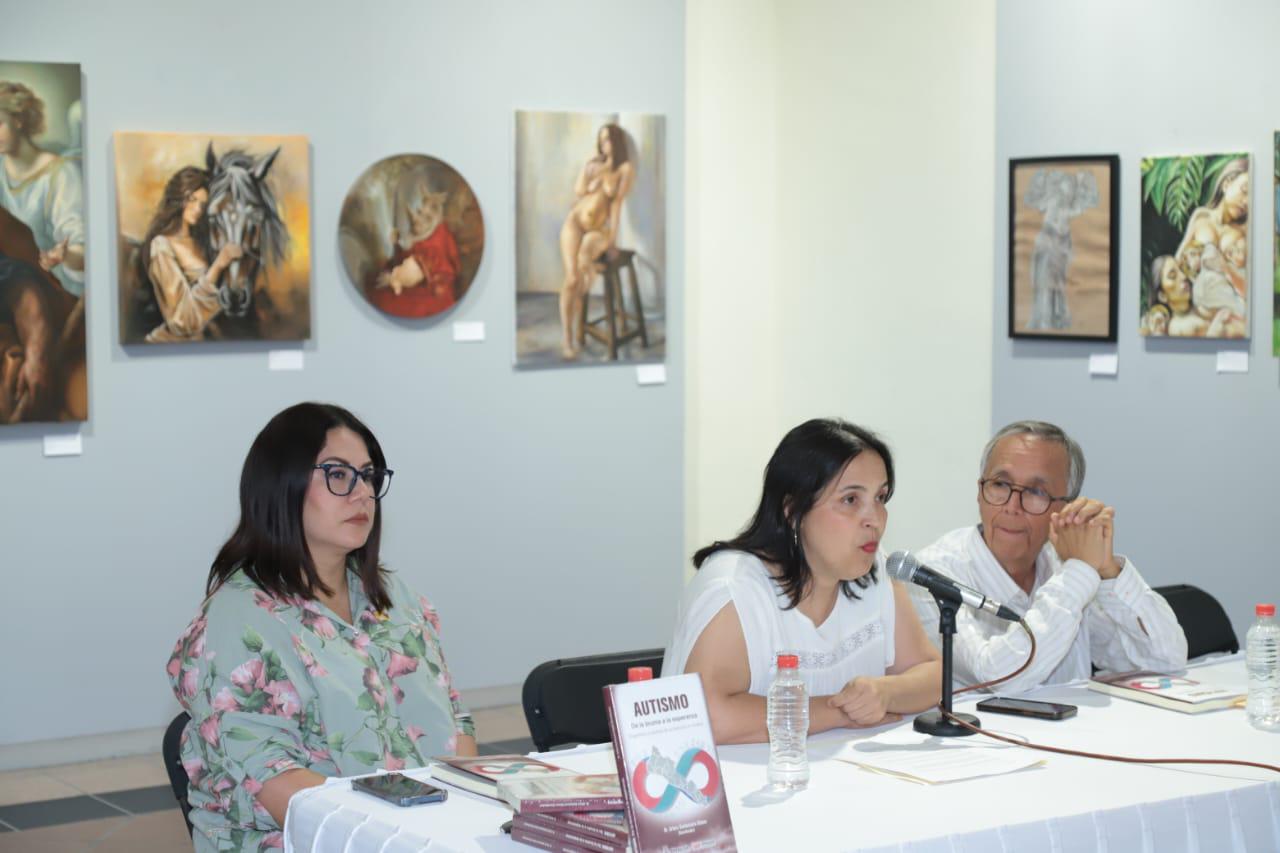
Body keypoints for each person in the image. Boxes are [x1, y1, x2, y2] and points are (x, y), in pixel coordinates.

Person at [167, 403, 476, 852]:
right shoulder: (239, 620)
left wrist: (461, 818)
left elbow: (456, 720)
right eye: (338, 474)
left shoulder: (393, 596)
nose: (361, 494)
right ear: (282, 485)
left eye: (368, 475)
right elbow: (272, 782)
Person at [663, 419, 942, 744]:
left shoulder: (876, 573)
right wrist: (838, 710)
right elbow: (707, 715)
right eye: (851, 500)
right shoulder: (734, 588)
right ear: (793, 510)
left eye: (880, 498)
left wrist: (886, 692)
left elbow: (933, 674)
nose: (874, 519)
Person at [910, 420, 1187, 693]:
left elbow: (1165, 662)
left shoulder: (1062, 565)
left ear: (1066, 507)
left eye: (1035, 492)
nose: (1012, 507)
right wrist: (1078, 573)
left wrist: (1106, 569)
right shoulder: (933, 574)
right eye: (1000, 485)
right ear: (980, 492)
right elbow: (996, 677)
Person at [0, 81, 85, 298]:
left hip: (52, 289)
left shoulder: (61, 174)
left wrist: (62, 256)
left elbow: (81, 249)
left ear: (18, 120)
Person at [138, 166, 242, 343]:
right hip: (169, 346)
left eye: (202, 203)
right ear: (178, 199)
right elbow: (182, 320)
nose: (197, 209)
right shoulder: (162, 246)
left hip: (204, 342)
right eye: (191, 199)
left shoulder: (201, 243)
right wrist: (218, 265)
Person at [558, 123, 635, 359]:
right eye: (601, 141)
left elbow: (616, 206)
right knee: (571, 278)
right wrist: (588, 170)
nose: (604, 145)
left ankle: (580, 326)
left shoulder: (625, 169)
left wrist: (611, 242)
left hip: (596, 231)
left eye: (608, 139)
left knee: (583, 271)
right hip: (574, 223)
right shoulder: (595, 164)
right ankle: (568, 339)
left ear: (617, 141)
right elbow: (579, 191)